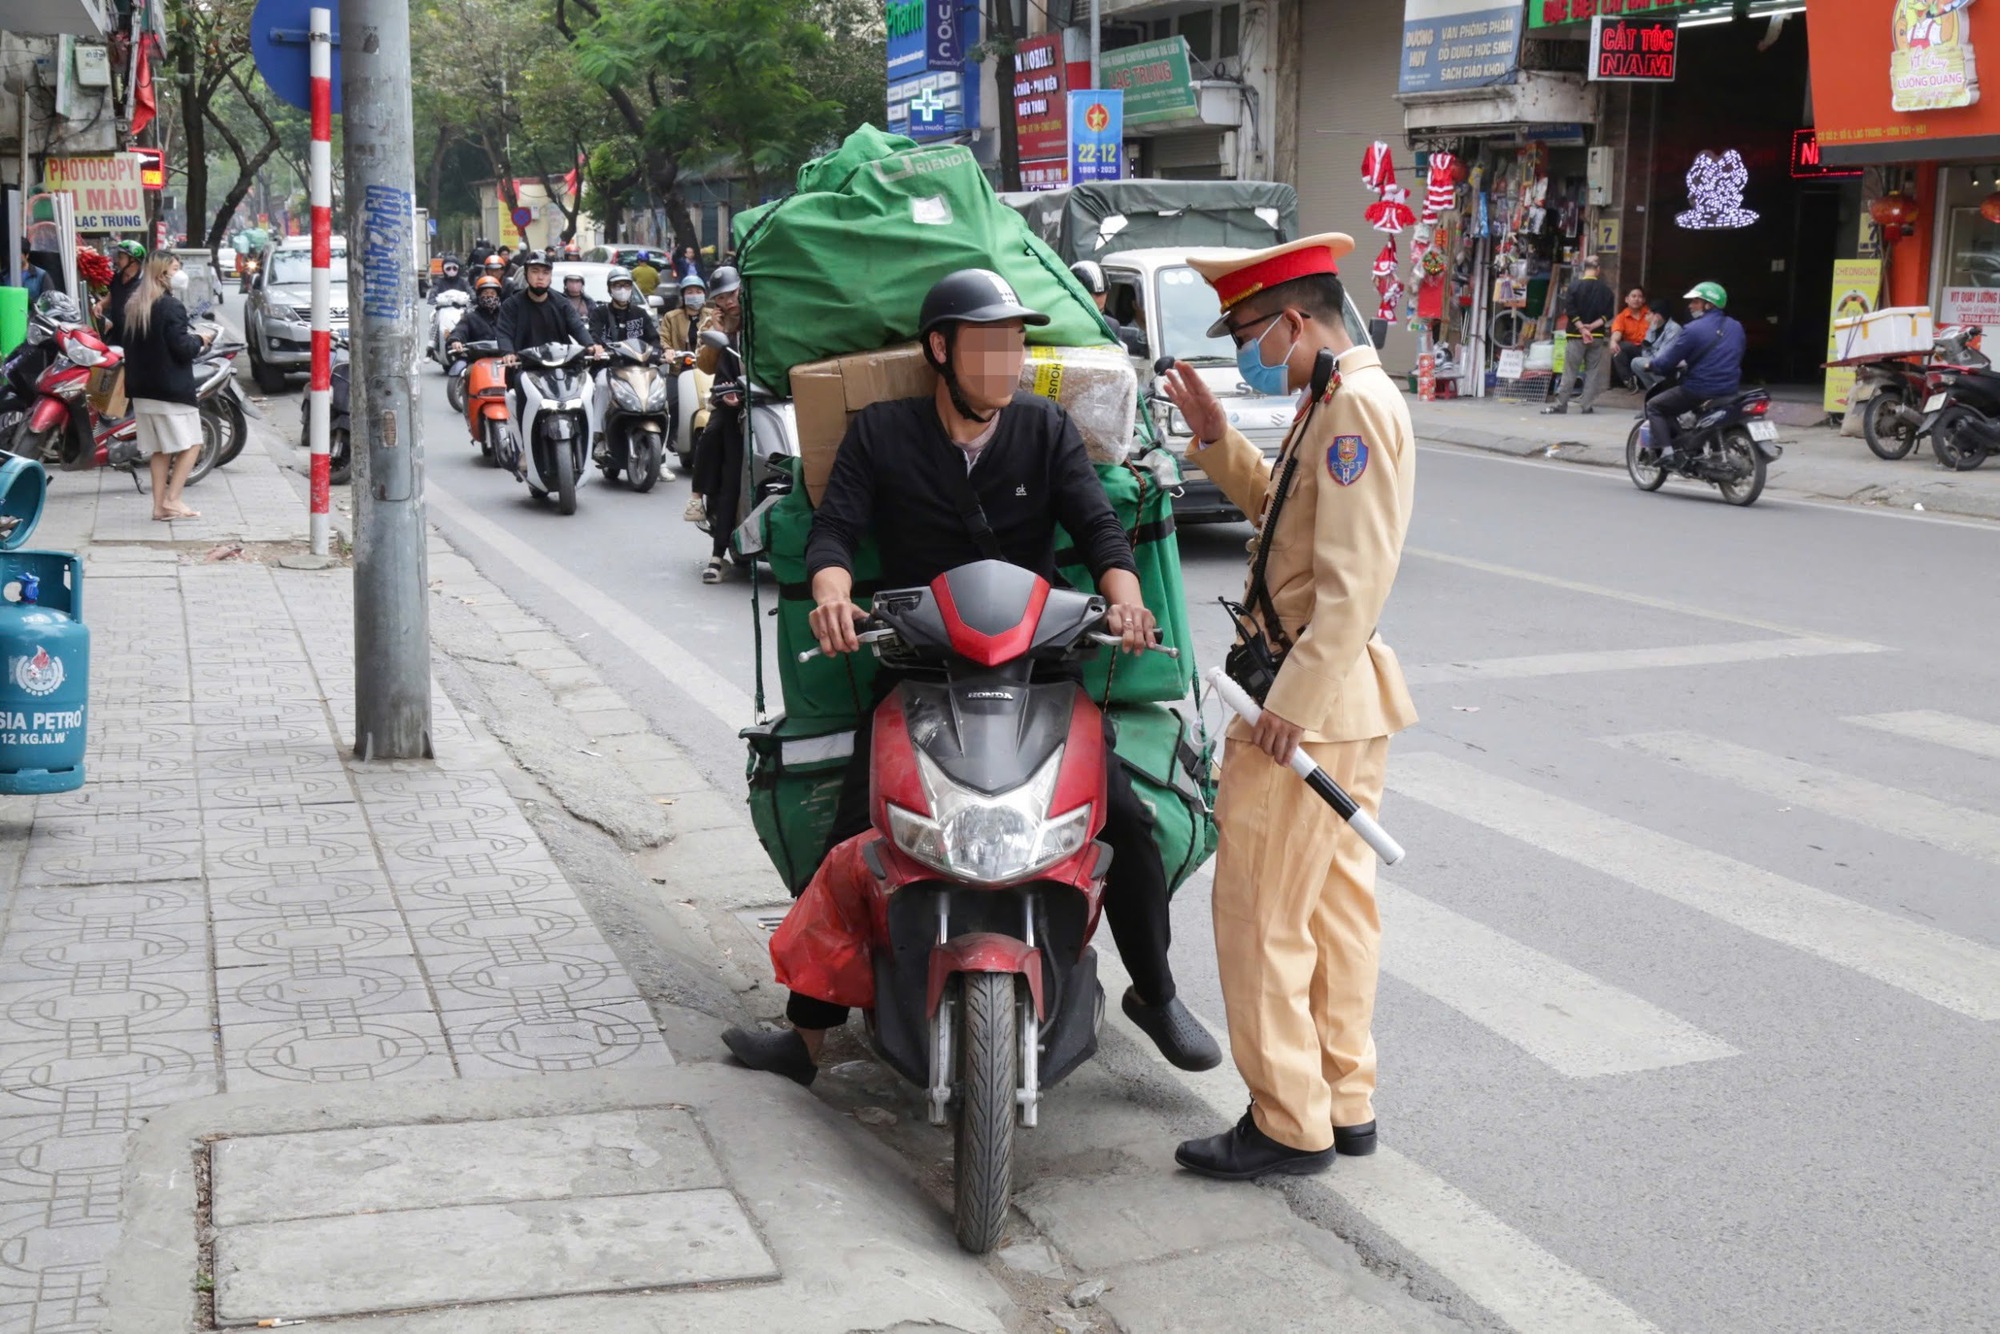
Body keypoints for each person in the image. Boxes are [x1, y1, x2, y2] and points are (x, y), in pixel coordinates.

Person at [721, 268, 1221, 1087]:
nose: (1006, 361)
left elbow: (1100, 534)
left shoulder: (1042, 429)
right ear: (940, 350)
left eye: (1015, 345)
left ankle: (1156, 993)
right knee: (854, 833)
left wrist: (1125, 605)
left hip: (1038, 665)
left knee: (1121, 819)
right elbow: (835, 535)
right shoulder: (882, 433)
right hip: (918, 663)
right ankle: (807, 1031)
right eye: (989, 345)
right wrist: (833, 598)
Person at [1159, 234, 1417, 1181]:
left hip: (1304, 705)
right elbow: (1282, 519)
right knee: (1337, 910)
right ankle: (1344, 1104)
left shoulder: (1350, 413)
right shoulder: (1331, 401)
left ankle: (1287, 1120)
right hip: (1341, 704)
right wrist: (1218, 438)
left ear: (1296, 320)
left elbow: (1350, 586)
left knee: (1262, 909)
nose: (1250, 354)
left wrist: (1290, 709)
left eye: (1253, 334)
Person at [121, 254, 212, 522]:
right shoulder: (170, 306)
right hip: (170, 390)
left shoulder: (135, 305)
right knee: (193, 443)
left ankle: (159, 506)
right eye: (175, 268)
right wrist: (200, 339)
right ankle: (173, 500)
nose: (179, 272)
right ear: (162, 273)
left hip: (142, 391)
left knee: (161, 449)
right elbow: (182, 348)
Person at [1641, 281, 1744, 463]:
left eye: (1695, 302)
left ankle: (1667, 453)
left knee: (1655, 406)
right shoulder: (1736, 327)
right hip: (1730, 389)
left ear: (1708, 304)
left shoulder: (1693, 329)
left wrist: (1652, 365)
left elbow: (1667, 362)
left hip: (1700, 389)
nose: (1690, 306)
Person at [690, 266, 744, 583]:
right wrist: (715, 335)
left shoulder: (761, 315)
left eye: (732, 294)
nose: (728, 301)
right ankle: (717, 554)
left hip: (767, 398)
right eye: (721, 297)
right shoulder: (716, 322)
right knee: (730, 475)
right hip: (728, 398)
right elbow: (707, 366)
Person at [1543, 256, 1615, 415]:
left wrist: (1582, 328)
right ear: (1598, 270)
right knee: (1592, 371)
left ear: (1584, 269)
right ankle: (1587, 406)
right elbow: (1608, 314)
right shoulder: (1606, 290)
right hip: (1596, 336)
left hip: (1576, 335)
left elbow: (1570, 310)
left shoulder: (1574, 286)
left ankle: (1562, 404)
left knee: (1570, 370)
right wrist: (1593, 326)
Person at [1070, 259, 1146, 355]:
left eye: (1100, 311)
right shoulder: (1053, 324)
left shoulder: (1111, 327)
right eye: (1089, 311)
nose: (1096, 318)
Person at [448, 274, 506, 373]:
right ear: (479, 296)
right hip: (477, 361)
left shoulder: (506, 317)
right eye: (485, 293)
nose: (489, 296)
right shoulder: (470, 317)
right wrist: (456, 340)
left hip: (505, 360)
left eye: (492, 293)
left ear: (498, 296)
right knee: (462, 371)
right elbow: (460, 330)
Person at [589, 267, 659, 349]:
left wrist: (658, 351)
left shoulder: (640, 313)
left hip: (637, 360)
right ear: (609, 289)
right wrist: (596, 347)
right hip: (609, 360)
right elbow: (594, 337)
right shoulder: (600, 313)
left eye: (627, 285)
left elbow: (654, 339)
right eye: (617, 286)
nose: (623, 290)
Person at [98, 240, 148, 346]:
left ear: (133, 260)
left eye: (121, 257)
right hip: (115, 334)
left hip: (134, 340)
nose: (117, 261)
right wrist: (101, 304)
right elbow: (112, 295)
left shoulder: (144, 283)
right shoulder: (117, 277)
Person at [1608, 286, 1651, 388]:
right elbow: (1617, 332)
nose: (1636, 299)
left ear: (1643, 300)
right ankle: (1629, 381)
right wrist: (1613, 341)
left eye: (1640, 297)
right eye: (1633, 296)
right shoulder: (1621, 317)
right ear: (1627, 299)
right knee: (1618, 350)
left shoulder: (1650, 314)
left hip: (1649, 349)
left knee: (1623, 346)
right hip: (1632, 350)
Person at [659, 273, 705, 351]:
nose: (695, 296)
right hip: (681, 361)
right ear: (683, 296)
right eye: (690, 292)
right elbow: (663, 338)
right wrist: (668, 350)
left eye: (698, 292)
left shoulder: (712, 315)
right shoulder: (671, 317)